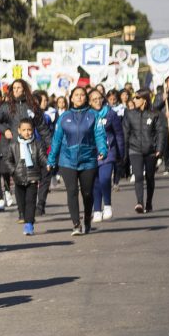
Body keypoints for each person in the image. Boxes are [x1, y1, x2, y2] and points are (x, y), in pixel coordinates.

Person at [47, 86, 107, 236]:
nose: (79, 97)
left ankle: (87, 218)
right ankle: (76, 224)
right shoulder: (64, 117)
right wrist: (51, 159)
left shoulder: (94, 115)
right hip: (67, 160)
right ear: (71, 98)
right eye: (76, 95)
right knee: (72, 191)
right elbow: (57, 140)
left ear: (85, 98)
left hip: (88, 159)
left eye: (82, 95)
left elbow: (99, 134)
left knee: (87, 193)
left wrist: (103, 150)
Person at [1, 80, 52, 216]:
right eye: (14, 88)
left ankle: (31, 210)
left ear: (25, 90)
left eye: (19, 88)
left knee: (31, 180)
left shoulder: (32, 106)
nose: (16, 90)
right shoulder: (6, 106)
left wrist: (51, 146)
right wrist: (4, 129)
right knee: (18, 180)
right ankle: (22, 211)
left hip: (31, 148)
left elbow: (42, 128)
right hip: (14, 148)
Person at [123, 89, 165, 212]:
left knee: (150, 177)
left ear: (144, 100)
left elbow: (161, 132)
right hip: (134, 149)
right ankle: (139, 203)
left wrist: (159, 149)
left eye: (137, 98)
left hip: (150, 150)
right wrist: (124, 151)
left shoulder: (155, 114)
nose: (134, 100)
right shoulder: (129, 114)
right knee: (138, 176)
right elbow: (125, 133)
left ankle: (149, 202)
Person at [4, 118, 48, 236]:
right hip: (18, 178)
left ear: (33, 130)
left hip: (32, 176)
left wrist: (48, 163)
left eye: (29, 130)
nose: (27, 132)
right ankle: (24, 215)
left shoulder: (37, 144)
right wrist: (13, 171)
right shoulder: (13, 145)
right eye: (24, 130)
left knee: (31, 201)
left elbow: (42, 157)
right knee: (21, 203)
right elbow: (8, 160)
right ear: (19, 130)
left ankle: (29, 224)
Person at [88, 90, 124, 223]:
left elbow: (119, 134)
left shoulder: (110, 114)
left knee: (104, 178)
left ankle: (107, 205)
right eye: (94, 99)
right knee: (95, 183)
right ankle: (97, 210)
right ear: (90, 101)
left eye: (100, 98)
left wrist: (120, 152)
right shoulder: (87, 115)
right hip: (92, 153)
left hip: (109, 152)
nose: (98, 101)